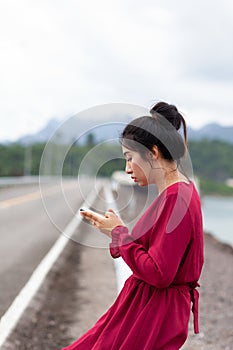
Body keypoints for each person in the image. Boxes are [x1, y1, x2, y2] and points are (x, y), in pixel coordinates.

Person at [62, 101, 204, 350]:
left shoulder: (176, 198)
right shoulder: (177, 193)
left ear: (153, 152)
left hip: (154, 315)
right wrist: (114, 231)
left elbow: (159, 273)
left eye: (130, 158)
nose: (127, 168)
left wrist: (119, 234)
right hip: (144, 308)